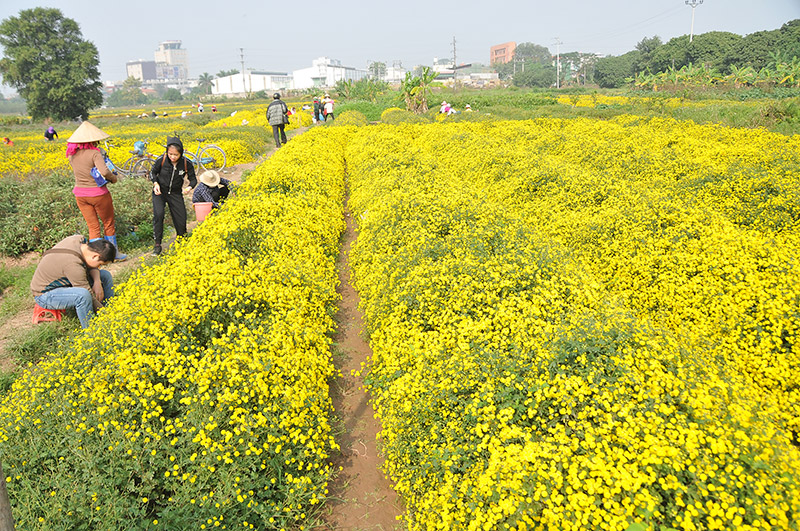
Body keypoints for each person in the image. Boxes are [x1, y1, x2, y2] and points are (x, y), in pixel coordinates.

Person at [66, 121, 127, 261]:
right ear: (94, 139)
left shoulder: (72, 155)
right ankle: (113, 254)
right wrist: (113, 179)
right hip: (98, 194)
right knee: (108, 223)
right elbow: (104, 171)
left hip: (80, 195)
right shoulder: (95, 153)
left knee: (93, 227)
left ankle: (94, 258)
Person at [30, 235, 116, 329]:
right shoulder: (73, 265)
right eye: (100, 264)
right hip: (45, 294)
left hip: (65, 281)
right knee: (83, 295)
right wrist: (106, 316)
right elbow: (89, 295)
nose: (99, 267)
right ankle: (91, 330)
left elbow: (92, 267)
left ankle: (109, 307)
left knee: (105, 275)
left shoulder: (80, 240)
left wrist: (97, 282)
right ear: (95, 256)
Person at [149, 136, 197, 256]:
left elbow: (193, 180)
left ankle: (182, 240)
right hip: (160, 192)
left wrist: (189, 188)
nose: (173, 157)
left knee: (181, 219)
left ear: (181, 153)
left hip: (175, 193)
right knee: (159, 215)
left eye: (176, 154)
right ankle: (157, 245)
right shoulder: (162, 159)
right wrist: (155, 183)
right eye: (170, 154)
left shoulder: (186, 163)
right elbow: (152, 172)